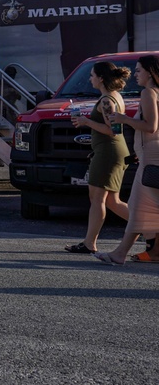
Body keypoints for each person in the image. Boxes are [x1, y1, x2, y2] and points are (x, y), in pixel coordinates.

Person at [94, 56, 159, 264]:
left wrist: (124, 119)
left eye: (139, 70)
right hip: (149, 156)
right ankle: (151, 252)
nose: (136, 74)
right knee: (145, 207)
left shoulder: (148, 93)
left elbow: (151, 127)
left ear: (149, 72)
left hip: (151, 158)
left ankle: (120, 253)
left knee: (138, 206)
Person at [65, 61, 131, 254]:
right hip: (112, 151)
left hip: (108, 152)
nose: (90, 78)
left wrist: (86, 121)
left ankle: (89, 243)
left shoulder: (106, 100)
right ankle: (150, 226)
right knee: (111, 201)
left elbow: (113, 130)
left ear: (101, 78)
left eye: (92, 75)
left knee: (97, 198)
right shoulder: (114, 96)